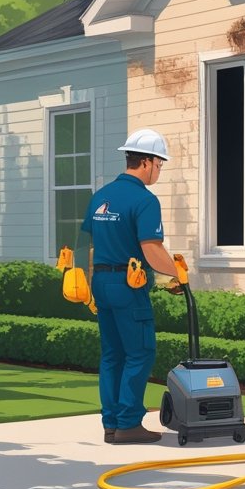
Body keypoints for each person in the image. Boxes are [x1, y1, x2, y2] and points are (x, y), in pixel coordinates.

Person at [82, 129, 179, 445]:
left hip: (101, 281)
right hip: (128, 283)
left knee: (112, 354)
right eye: (159, 165)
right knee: (140, 352)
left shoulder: (102, 196)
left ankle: (111, 423)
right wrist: (178, 274)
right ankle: (128, 424)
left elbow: (92, 245)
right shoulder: (144, 200)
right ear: (148, 161)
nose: (158, 172)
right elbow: (151, 249)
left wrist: (95, 282)